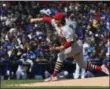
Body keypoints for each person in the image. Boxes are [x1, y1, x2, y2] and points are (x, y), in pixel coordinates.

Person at [29, 12, 109, 82]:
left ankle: (53, 76)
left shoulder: (67, 29)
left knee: (60, 55)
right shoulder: (56, 23)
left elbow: (69, 43)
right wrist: (35, 20)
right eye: (55, 18)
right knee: (83, 65)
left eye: (56, 19)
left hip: (76, 44)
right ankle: (101, 68)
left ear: (60, 20)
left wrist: (57, 48)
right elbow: (47, 19)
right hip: (76, 44)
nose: (54, 20)